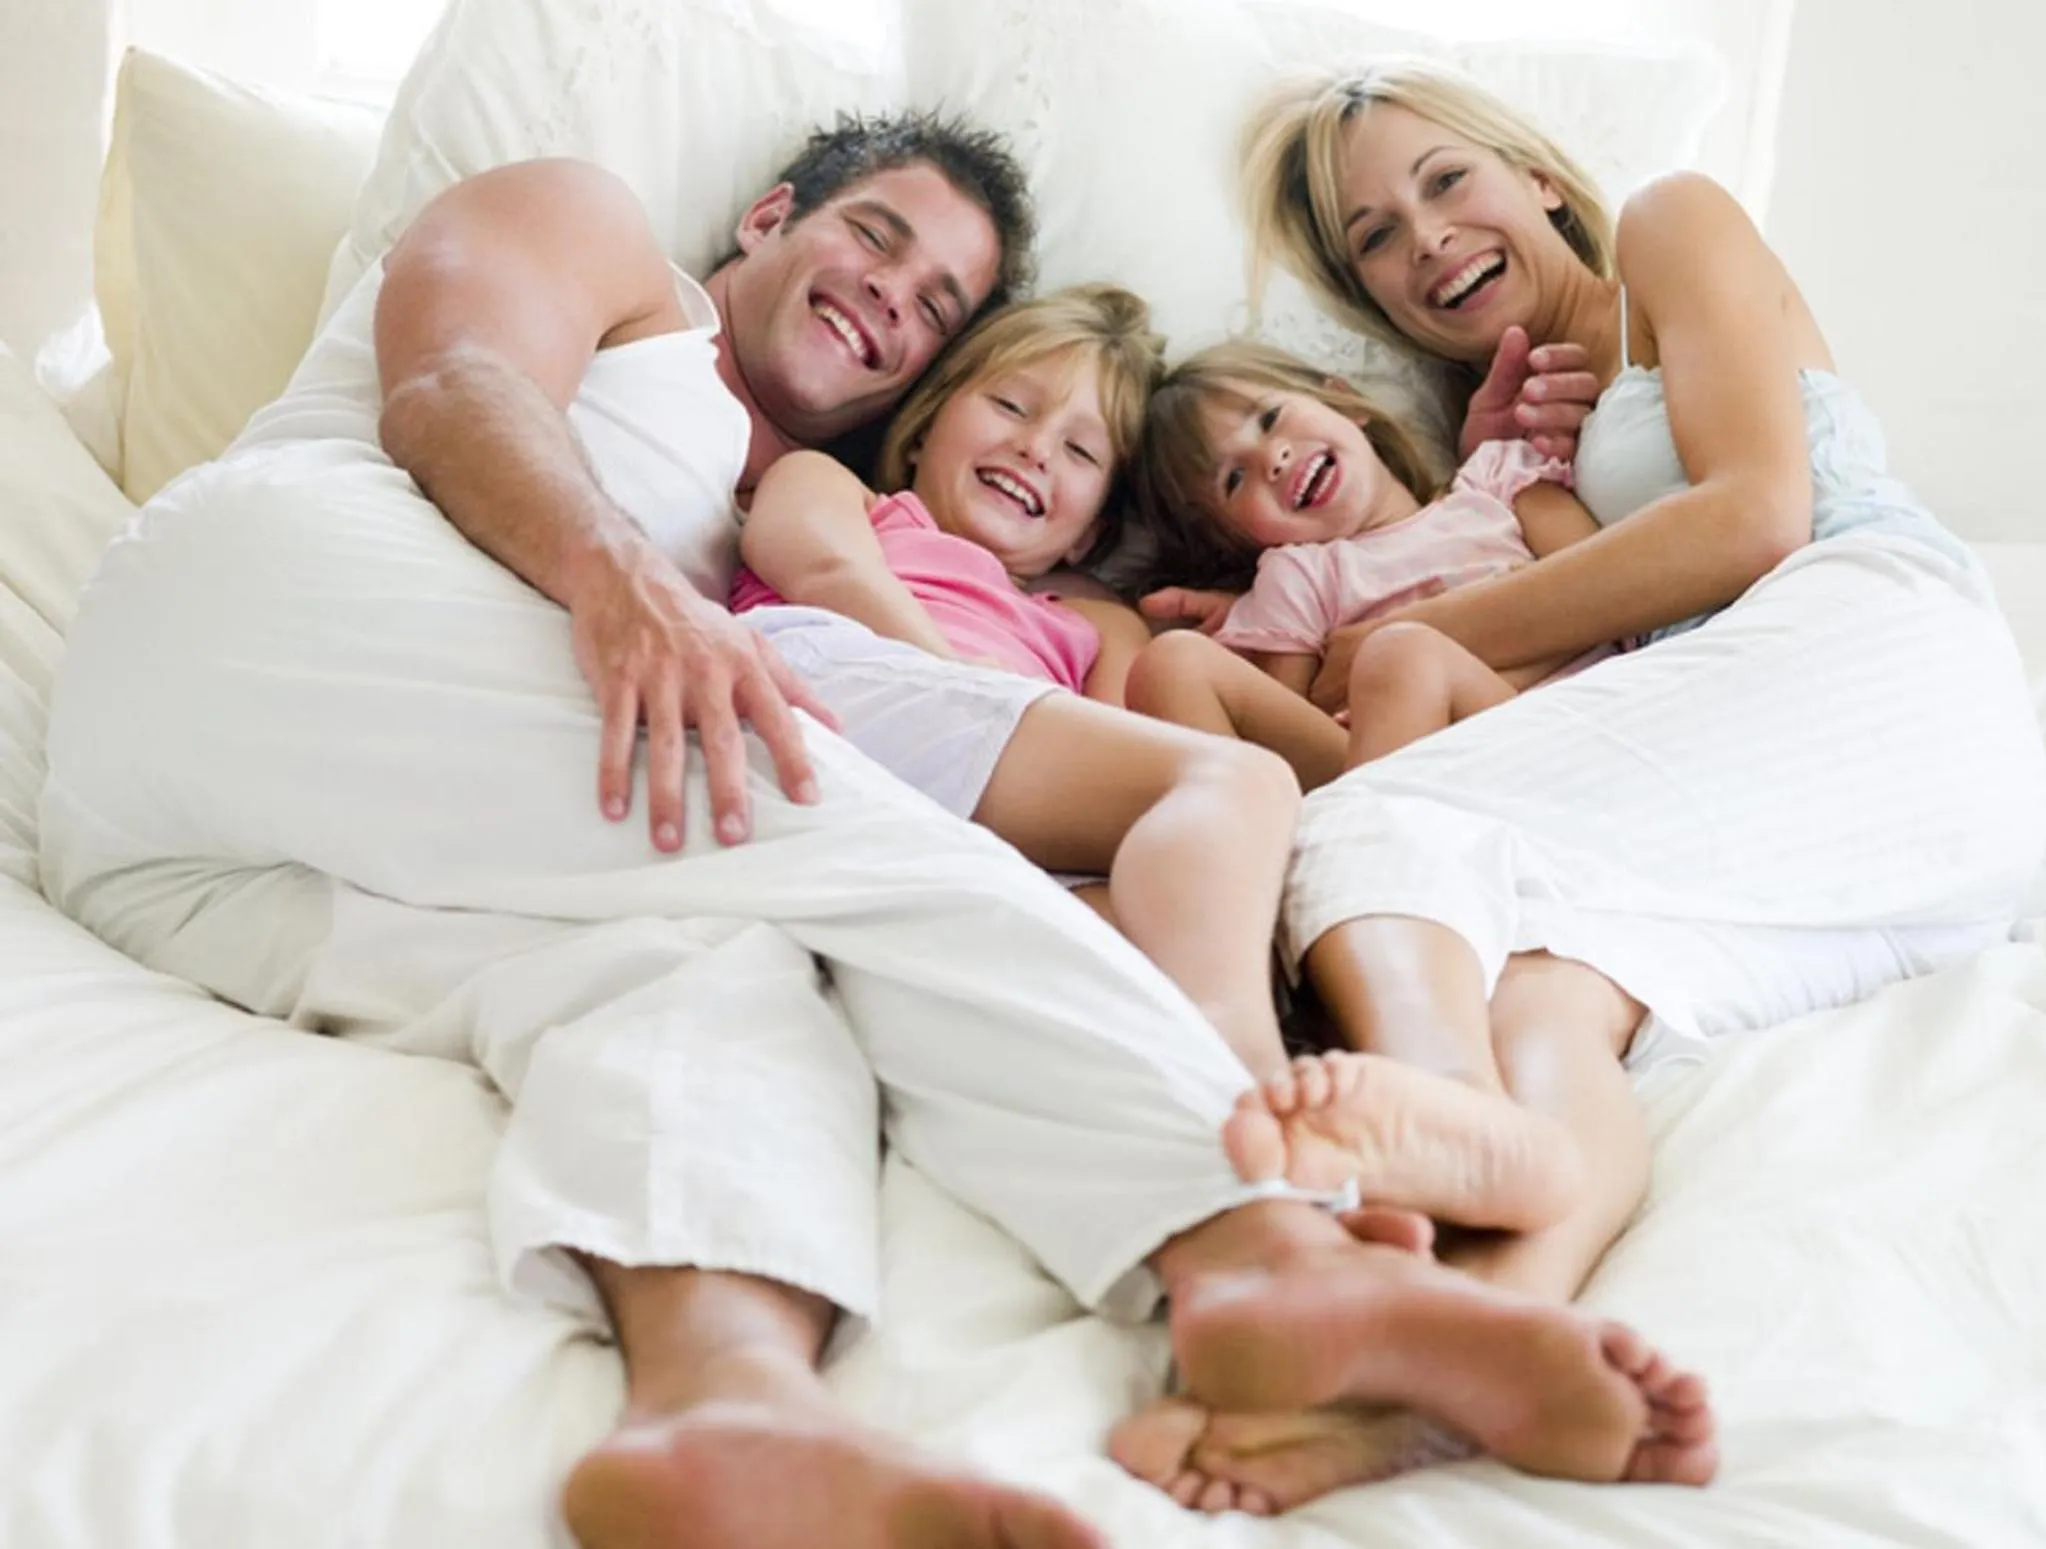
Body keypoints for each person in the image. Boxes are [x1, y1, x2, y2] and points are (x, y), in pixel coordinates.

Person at [36, 109, 1717, 1548]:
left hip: (195, 876)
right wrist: (623, 585)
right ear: (767, 217)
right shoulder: (610, 246)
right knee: (805, 812)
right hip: (270, 600)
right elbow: (455, 379)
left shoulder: (786, 516)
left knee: (702, 965)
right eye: (871, 235)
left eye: (937, 305)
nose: (890, 298)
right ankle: (1258, 1249)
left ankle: (723, 1403)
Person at [1109, 61, 2046, 1513]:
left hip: (1868, 642)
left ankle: (1440, 1118)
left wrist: (1390, 644)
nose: (1422, 240)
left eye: (1442, 181)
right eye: (1372, 238)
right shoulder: (1498, 428)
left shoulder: (1669, 231)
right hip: (1846, 803)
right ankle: (1478, 1338)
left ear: (1535, 174)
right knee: (1544, 992)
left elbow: (1753, 515)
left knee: (1368, 816)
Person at [733, 285, 1301, 1079]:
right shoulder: (848, 494)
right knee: (1242, 783)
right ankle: (1252, 1070)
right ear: (927, 421)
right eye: (1010, 404)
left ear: (1094, 529)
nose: (1036, 447)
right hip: (831, 689)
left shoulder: (1095, 627)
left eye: (1081, 452)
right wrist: (948, 664)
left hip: (974, 822)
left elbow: (1122, 793)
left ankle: (1237, 1131)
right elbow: (816, 559)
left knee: (1174, 909)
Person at [1124, 339, 1614, 790]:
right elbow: (1295, 729)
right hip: (1395, 771)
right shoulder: (1298, 577)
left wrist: (1411, 680)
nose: (1272, 458)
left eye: (1271, 418)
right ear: (1233, 538)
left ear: (1344, 402)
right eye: (1233, 479)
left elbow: (1616, 599)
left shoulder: (1496, 481)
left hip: (1555, 732)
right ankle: (1259, 842)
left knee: (1402, 656)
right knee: (1171, 663)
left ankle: (1365, 844)